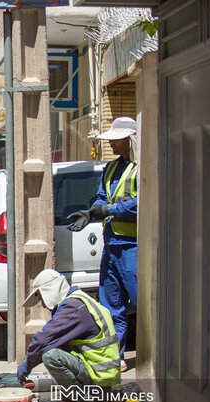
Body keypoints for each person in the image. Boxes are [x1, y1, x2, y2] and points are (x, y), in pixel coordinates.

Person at [66, 117, 138, 372]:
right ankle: (113, 360)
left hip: (134, 246)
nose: (112, 145)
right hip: (112, 246)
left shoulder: (141, 169)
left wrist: (108, 210)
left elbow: (139, 203)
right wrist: (91, 211)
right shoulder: (110, 169)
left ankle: (155, 359)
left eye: (116, 140)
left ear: (130, 140)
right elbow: (101, 197)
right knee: (111, 309)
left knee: (142, 306)